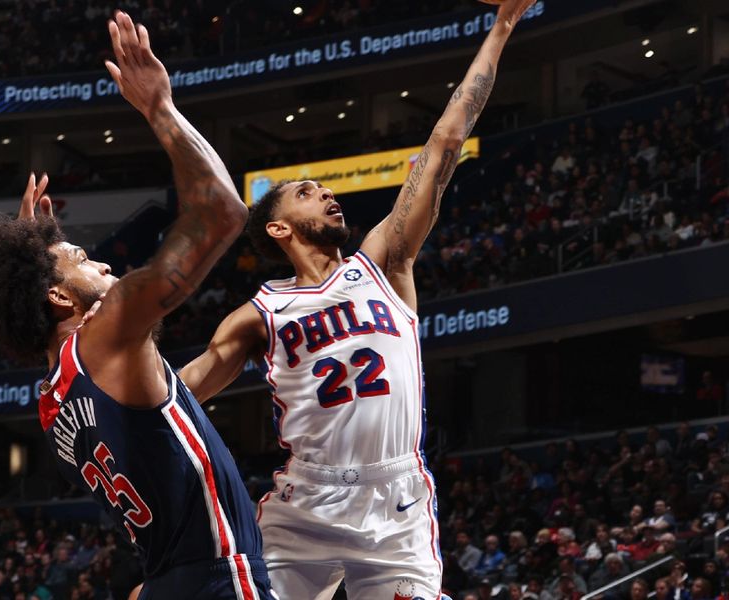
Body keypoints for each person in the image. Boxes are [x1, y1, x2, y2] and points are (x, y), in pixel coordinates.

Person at [169, 0, 538, 597]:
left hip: (395, 503)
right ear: (278, 229)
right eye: (309, 193)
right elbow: (177, 396)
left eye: (325, 189)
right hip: (304, 505)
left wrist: (501, 28)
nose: (328, 195)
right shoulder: (261, 312)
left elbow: (444, 145)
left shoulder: (384, 262)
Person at [0, 12, 274, 600]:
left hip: (165, 583)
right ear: (57, 297)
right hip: (219, 579)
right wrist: (160, 107)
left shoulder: (53, 404)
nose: (104, 262)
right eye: (84, 257)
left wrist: (36, 251)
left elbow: (155, 423)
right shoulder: (106, 333)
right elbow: (223, 214)